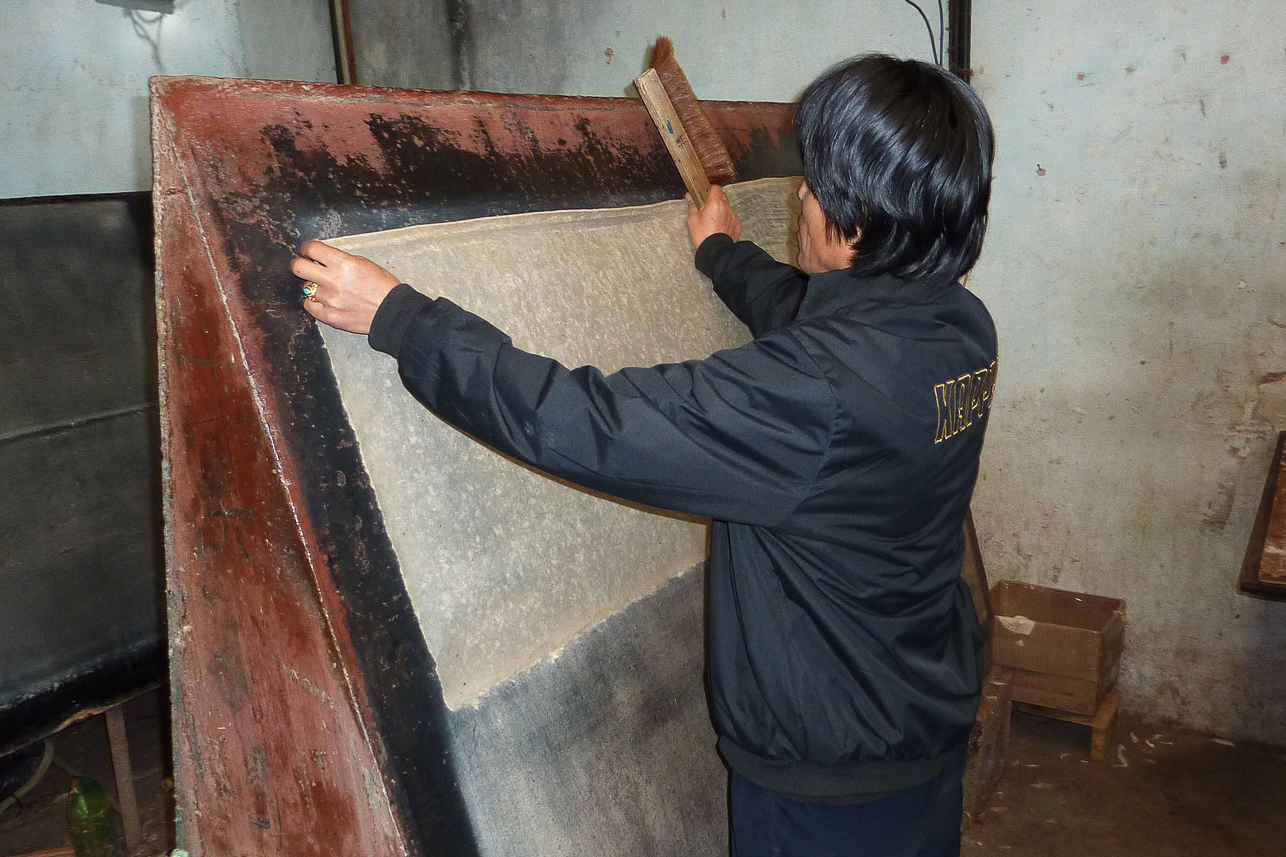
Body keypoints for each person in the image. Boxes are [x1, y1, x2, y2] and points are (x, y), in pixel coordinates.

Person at [291, 53, 996, 857]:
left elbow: (587, 420)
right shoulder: (956, 325)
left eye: (818, 181)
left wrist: (401, 318)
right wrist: (722, 255)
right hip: (919, 728)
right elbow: (809, 316)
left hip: (826, 793)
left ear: (861, 221)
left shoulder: (814, 392)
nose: (802, 192)